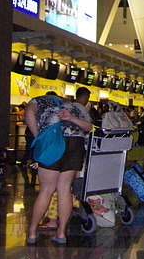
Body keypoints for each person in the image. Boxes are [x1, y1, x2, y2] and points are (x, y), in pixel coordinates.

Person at [25, 92, 93, 245]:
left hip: (54, 141)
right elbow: (88, 126)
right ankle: (61, 233)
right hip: (75, 142)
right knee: (64, 188)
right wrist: (70, 118)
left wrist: (38, 137)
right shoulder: (70, 104)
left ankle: (32, 232)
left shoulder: (38, 100)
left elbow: (29, 113)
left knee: (46, 189)